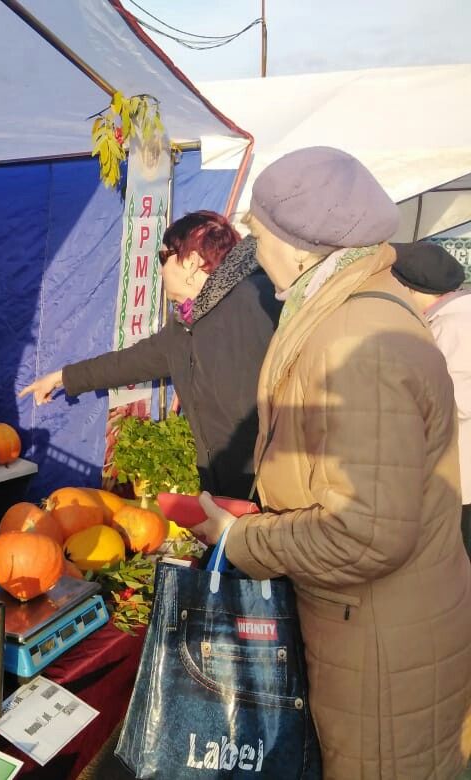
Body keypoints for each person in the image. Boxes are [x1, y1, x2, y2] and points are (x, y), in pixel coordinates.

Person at [193, 147, 471, 778]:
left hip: (382, 650)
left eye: (259, 235)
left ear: (298, 246)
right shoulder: (350, 311)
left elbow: (365, 532)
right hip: (379, 629)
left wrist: (240, 539)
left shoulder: (357, 341)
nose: (256, 252)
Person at [19, 210, 282, 500]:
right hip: (223, 488)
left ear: (192, 262)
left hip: (269, 488)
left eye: (164, 257)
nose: (160, 269)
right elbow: (131, 362)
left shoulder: (255, 300)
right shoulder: (185, 325)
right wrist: (63, 377)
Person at [392, 241, 471, 557]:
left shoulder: (454, 325)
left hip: (462, 480)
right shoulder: (455, 318)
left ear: (410, 287)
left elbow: (459, 400)